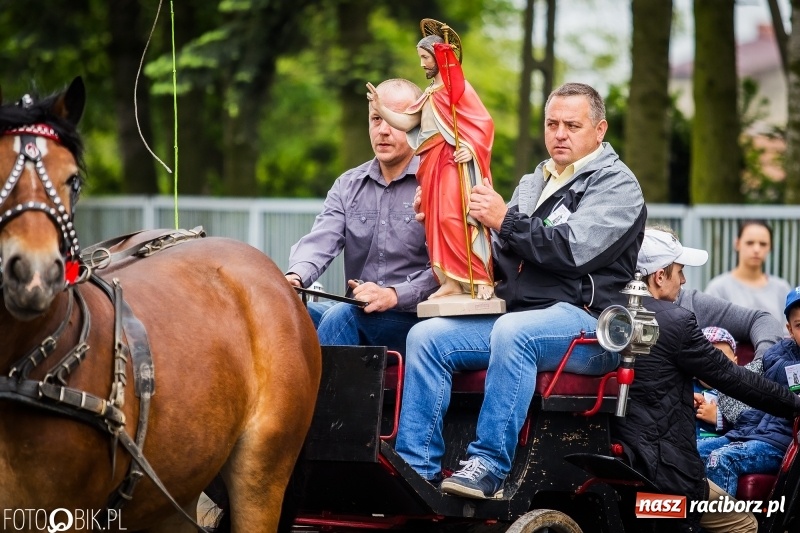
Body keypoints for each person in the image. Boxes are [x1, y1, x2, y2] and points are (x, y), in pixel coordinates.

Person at [394, 82, 647, 498]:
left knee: (516, 332)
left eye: (572, 125)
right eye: (552, 124)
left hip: (590, 327)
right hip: (519, 318)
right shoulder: (534, 180)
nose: (559, 134)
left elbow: (571, 250)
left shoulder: (618, 185)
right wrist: (444, 216)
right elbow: (492, 254)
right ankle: (416, 470)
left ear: (600, 130)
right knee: (427, 336)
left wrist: (504, 220)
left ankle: (488, 465)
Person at [611, 227, 800, 533]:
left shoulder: (609, 312)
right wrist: (794, 404)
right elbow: (732, 378)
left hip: (621, 463)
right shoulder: (676, 321)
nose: (684, 280)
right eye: (680, 272)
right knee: (745, 525)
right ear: (659, 276)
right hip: (663, 472)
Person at [285, 78, 439, 353]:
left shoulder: (438, 184)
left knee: (342, 316)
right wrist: (294, 278)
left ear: (418, 123)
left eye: (394, 119)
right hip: (358, 310)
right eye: (376, 119)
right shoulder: (347, 185)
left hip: (416, 319)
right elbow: (321, 240)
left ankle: (328, 386)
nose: (383, 130)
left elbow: (446, 270)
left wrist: (393, 295)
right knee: (286, 314)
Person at [366, 23, 495, 299]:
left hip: (450, 162)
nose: (422, 64)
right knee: (435, 221)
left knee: (453, 216)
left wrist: (470, 148)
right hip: (430, 162)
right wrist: (380, 108)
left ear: (439, 57)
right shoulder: (429, 94)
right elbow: (407, 122)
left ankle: (478, 276)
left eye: (425, 58)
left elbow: (484, 124)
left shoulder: (457, 89)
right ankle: (449, 280)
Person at [695, 286, 800, 500]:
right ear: (789, 330)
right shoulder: (776, 355)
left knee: (721, 459)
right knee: (684, 451)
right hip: (750, 433)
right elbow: (739, 385)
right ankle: (678, 516)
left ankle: (724, 520)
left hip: (783, 443)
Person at [705, 219, 791, 323]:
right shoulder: (718, 289)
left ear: (770, 247)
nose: (756, 249)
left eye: (763, 244)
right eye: (750, 243)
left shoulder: (782, 289)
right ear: (737, 244)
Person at [695, 327, 738, 439]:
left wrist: (719, 418)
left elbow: (747, 424)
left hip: (722, 446)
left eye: (722, 360)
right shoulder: (686, 387)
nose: (714, 367)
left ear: (735, 363)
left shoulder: (738, 392)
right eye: (706, 361)